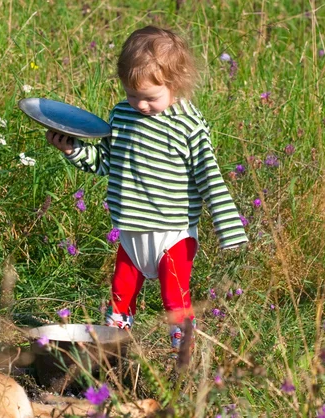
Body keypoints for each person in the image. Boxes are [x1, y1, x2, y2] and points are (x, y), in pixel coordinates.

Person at [46, 25, 248, 354]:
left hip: (173, 231)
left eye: (150, 97)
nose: (140, 104)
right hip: (130, 229)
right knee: (121, 289)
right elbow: (105, 163)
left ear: (176, 83)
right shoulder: (121, 116)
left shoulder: (188, 124)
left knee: (174, 293)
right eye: (132, 94)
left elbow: (208, 176)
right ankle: (115, 343)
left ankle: (182, 351)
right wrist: (72, 150)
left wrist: (229, 227)